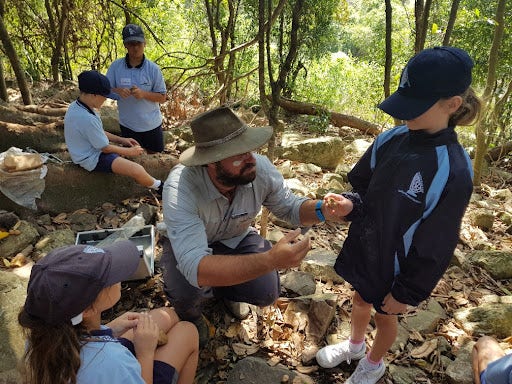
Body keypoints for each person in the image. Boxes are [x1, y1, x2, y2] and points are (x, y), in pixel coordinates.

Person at [315, 46, 482, 384]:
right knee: (359, 298)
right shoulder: (391, 139)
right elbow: (363, 190)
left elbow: (439, 240)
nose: (406, 115)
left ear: (452, 105)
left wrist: (408, 290)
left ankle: (372, 365)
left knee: (385, 315)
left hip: (398, 267)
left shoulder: (453, 168)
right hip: (367, 248)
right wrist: (349, 205)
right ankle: (355, 345)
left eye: (416, 106)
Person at [160, 106, 340, 342]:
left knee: (267, 291)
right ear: (211, 163)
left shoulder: (259, 169)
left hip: (235, 239)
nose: (250, 159)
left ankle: (224, 291)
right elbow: (195, 266)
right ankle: (192, 315)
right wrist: (270, 260)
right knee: (185, 294)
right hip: (189, 248)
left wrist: (323, 209)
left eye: (249, 149)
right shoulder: (180, 187)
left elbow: (291, 208)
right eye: (238, 154)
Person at [18, 240, 199, 384]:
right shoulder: (113, 361)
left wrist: (110, 329)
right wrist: (145, 353)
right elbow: (116, 367)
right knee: (187, 331)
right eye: (110, 278)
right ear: (88, 309)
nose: (118, 278)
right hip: (124, 372)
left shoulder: (43, 335)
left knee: (164, 316)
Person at [64, 70, 163, 193]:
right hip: (91, 159)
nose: (105, 99)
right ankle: (160, 187)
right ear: (93, 95)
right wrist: (129, 151)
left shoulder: (78, 106)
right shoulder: (85, 117)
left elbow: (98, 132)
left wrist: (122, 140)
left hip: (89, 150)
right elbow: (105, 148)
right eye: (104, 96)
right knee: (136, 169)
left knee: (126, 158)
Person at [106, 24, 167, 153]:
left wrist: (143, 94)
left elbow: (162, 97)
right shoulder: (116, 67)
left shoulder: (153, 69)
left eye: (138, 43)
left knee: (155, 160)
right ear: (125, 45)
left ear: (144, 43)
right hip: (128, 126)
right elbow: (105, 90)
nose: (135, 47)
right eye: (131, 43)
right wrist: (118, 91)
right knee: (133, 161)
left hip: (152, 126)